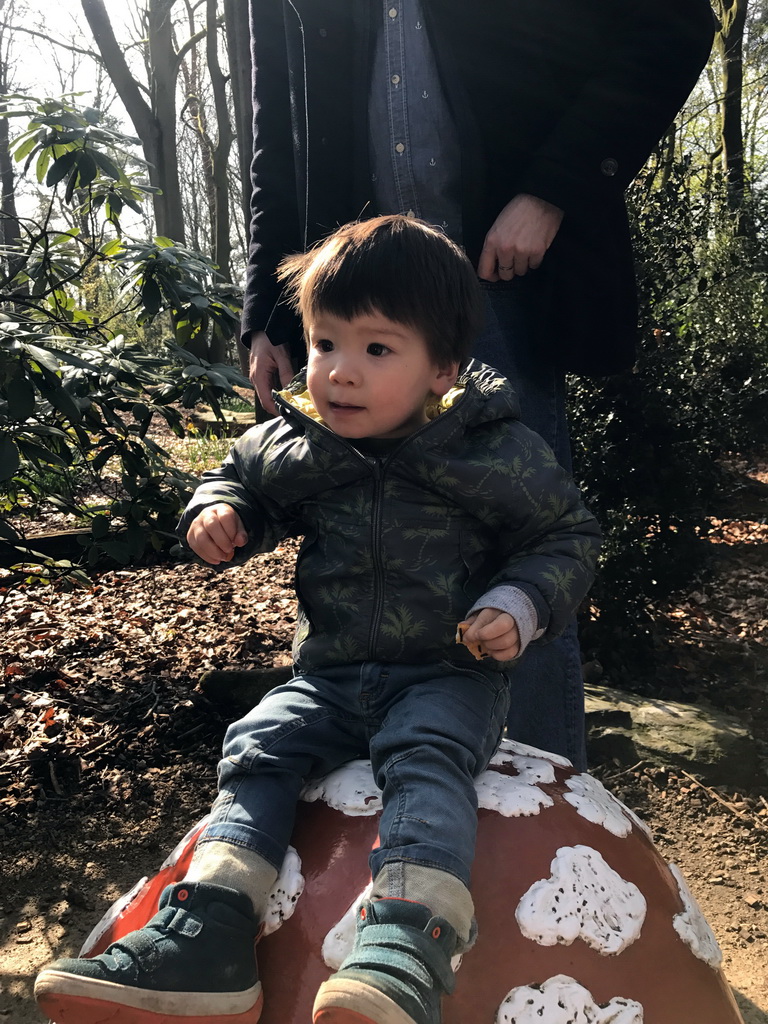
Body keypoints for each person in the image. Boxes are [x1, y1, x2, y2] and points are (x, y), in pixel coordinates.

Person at [36, 215, 602, 1024]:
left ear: (442, 368)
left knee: (427, 754)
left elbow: (567, 534)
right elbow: (239, 475)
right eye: (325, 343)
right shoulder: (306, 443)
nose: (339, 373)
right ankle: (210, 933)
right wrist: (221, 511)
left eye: (377, 349)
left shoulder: (490, 452)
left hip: (446, 673)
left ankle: (409, 943)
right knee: (258, 745)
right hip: (329, 674)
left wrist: (521, 601)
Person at [239, 0, 715, 768]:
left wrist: (552, 191)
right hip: (346, 308)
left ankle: (536, 860)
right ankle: (386, 846)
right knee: (342, 545)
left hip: (504, 285)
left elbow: (672, 25)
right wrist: (268, 306)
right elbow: (275, 132)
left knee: (517, 561)